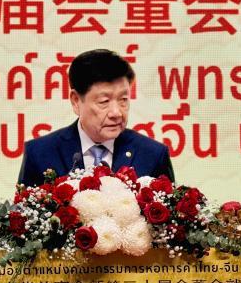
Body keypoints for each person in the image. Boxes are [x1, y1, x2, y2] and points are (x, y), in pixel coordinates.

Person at [18, 49, 174, 187]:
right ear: (76, 101)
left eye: (123, 99)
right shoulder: (40, 154)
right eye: (104, 101)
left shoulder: (153, 155)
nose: (116, 113)